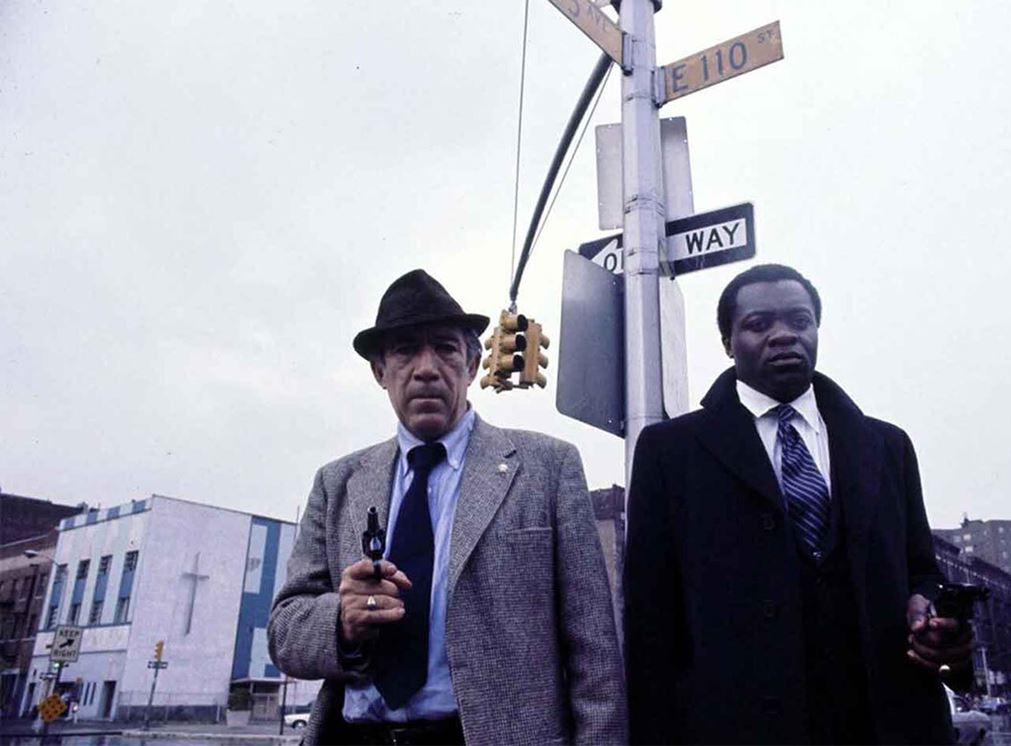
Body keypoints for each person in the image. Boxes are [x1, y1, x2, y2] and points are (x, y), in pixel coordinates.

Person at [268, 270, 626, 745]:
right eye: (405, 351)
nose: (426, 368)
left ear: (473, 365)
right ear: (380, 371)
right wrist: (342, 620)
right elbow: (284, 632)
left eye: (445, 348)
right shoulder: (338, 484)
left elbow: (595, 653)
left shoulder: (547, 469)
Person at [623, 263, 972, 745]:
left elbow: (922, 572)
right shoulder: (670, 452)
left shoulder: (887, 446)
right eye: (758, 324)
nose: (783, 335)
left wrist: (930, 613)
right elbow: (650, 617)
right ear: (728, 343)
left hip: (886, 722)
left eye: (799, 321)